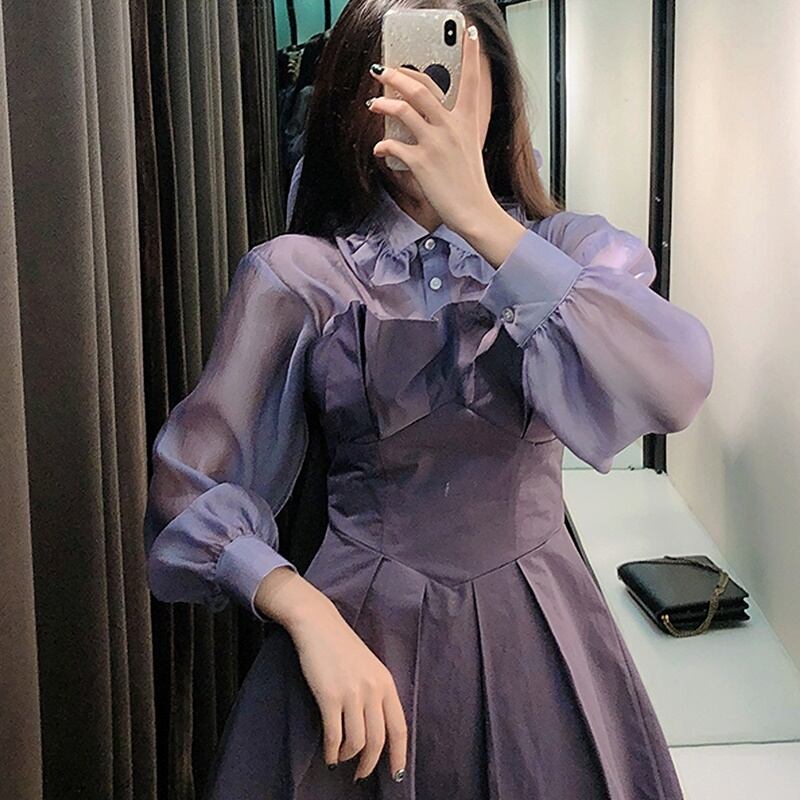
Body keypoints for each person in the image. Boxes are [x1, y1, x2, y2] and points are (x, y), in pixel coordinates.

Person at [143, 1, 714, 797]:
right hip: (354, 636)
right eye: (395, 72)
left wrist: (477, 214)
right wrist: (301, 609)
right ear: (354, 97)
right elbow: (184, 492)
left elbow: (676, 383)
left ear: (495, 90)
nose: (422, 98)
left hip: (539, 630)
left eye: (446, 70)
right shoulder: (300, 274)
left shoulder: (573, 252)